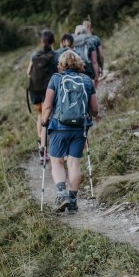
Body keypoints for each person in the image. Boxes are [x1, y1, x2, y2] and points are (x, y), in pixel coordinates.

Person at [41, 49, 98, 213]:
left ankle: (62, 194)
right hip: (80, 128)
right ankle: (72, 201)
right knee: (73, 164)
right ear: (80, 64)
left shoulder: (56, 78)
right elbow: (95, 109)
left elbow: (48, 105)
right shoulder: (87, 80)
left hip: (59, 127)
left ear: (61, 64)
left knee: (57, 161)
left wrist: (45, 120)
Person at [27, 29, 59, 158]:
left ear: (42, 41)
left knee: (40, 115)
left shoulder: (35, 54)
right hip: (48, 90)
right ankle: (49, 146)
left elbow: (28, 72)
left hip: (34, 90)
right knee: (50, 115)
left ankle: (41, 145)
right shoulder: (55, 55)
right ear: (54, 41)